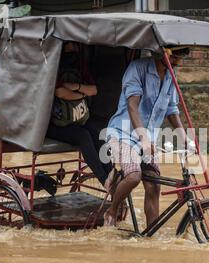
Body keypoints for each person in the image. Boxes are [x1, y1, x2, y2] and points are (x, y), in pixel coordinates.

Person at [103, 48, 190, 227]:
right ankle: (111, 211)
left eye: (179, 59)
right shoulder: (137, 68)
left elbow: (172, 111)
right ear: (162, 53)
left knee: (153, 186)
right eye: (174, 57)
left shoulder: (170, 77)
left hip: (147, 139)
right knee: (134, 176)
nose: (176, 63)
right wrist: (142, 138)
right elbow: (132, 106)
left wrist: (186, 139)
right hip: (123, 134)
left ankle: (152, 234)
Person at [46, 42, 113, 188]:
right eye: (71, 45)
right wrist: (82, 94)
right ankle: (105, 181)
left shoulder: (81, 67)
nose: (74, 48)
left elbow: (94, 90)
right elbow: (60, 92)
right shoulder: (53, 65)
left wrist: (75, 87)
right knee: (83, 135)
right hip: (54, 124)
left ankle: (112, 175)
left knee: (97, 132)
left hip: (77, 119)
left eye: (76, 45)